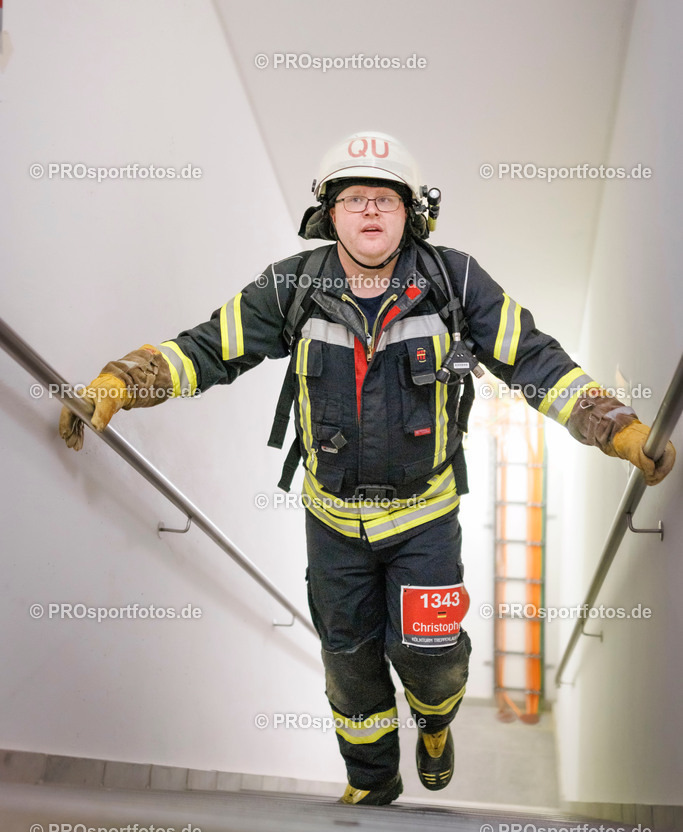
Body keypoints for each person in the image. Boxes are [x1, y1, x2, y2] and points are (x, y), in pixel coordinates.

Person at [59, 131, 676, 807]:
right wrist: (122, 381)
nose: (371, 210)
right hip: (331, 524)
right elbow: (210, 347)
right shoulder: (291, 285)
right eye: (354, 197)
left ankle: (435, 725)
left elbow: (534, 359)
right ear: (329, 212)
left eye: (386, 197)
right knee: (348, 668)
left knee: (431, 657)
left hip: (425, 519)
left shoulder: (455, 280)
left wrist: (612, 425)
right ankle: (372, 780)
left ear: (412, 212)